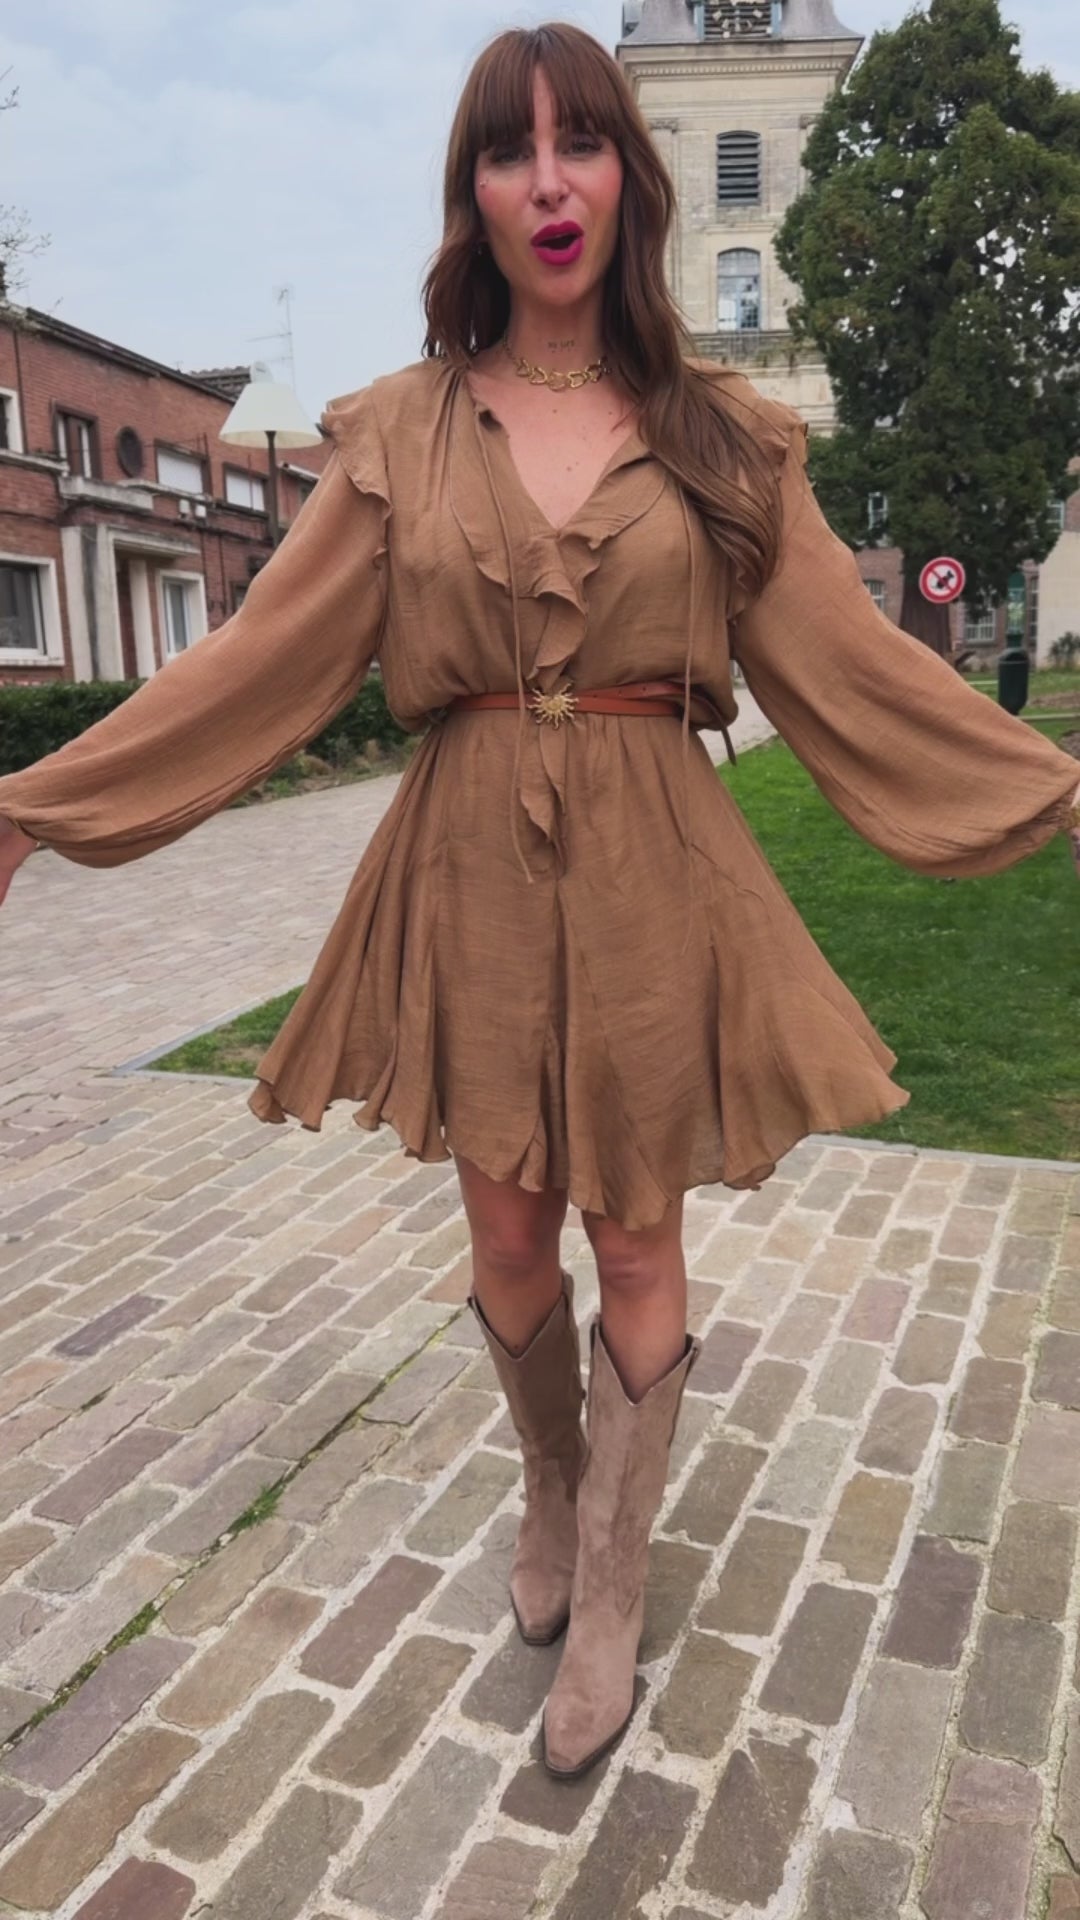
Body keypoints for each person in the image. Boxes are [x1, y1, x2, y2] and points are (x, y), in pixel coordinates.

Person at [1, 23, 1078, 1782]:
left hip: (654, 865)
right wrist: (37, 809)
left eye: (584, 145)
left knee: (635, 1239)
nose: (552, 181)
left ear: (630, 184)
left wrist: (1052, 788)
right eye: (513, 151)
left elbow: (855, 666)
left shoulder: (723, 437)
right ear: (476, 196)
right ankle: (554, 1489)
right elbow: (257, 666)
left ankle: (616, 1582)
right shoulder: (401, 433)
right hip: (468, 864)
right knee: (508, 1237)